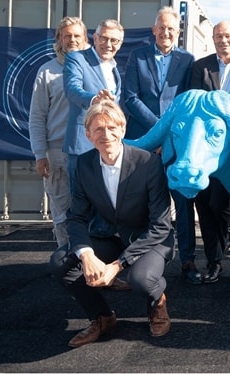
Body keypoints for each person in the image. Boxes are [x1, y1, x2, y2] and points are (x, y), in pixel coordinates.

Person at [48, 100, 175, 347]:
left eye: (111, 128)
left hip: (150, 239)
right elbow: (77, 216)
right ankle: (102, 317)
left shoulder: (148, 163)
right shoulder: (84, 164)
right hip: (110, 236)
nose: (105, 135)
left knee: (141, 280)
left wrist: (117, 266)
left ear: (122, 130)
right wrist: (86, 255)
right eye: (98, 129)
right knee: (60, 262)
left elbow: (160, 225)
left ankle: (157, 301)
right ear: (88, 135)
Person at [122, 7, 197, 283]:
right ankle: (139, 260)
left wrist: (168, 134)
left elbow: (189, 100)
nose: (166, 33)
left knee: (183, 202)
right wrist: (158, 131)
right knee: (141, 203)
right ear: (154, 30)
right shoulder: (138, 56)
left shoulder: (187, 60)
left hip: (176, 143)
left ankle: (188, 261)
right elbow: (130, 97)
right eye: (161, 28)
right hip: (144, 142)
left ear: (178, 32)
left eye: (171, 29)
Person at [190, 20, 230, 284]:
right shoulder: (200, 67)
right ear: (213, 38)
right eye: (218, 36)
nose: (223, 40)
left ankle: (228, 244)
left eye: (227, 35)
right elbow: (194, 104)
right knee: (205, 202)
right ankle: (214, 261)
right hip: (207, 146)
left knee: (223, 202)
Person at [29, 16, 88, 247]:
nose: (72, 40)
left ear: (85, 38)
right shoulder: (47, 72)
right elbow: (37, 116)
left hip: (89, 152)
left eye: (77, 35)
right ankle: (67, 258)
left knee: (93, 212)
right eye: (67, 36)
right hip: (57, 154)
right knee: (63, 214)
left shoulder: (94, 69)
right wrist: (40, 154)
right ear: (59, 39)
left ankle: (92, 259)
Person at [63, 19, 125, 192]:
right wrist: (94, 100)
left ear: (120, 44)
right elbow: (72, 90)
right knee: (81, 201)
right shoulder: (76, 58)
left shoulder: (115, 69)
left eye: (114, 40)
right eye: (104, 38)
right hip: (83, 146)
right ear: (95, 38)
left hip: (109, 147)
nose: (108, 44)